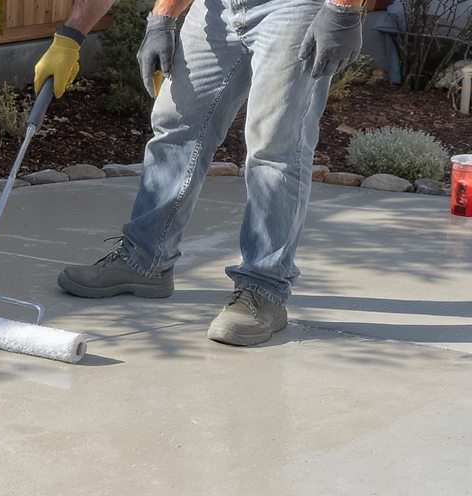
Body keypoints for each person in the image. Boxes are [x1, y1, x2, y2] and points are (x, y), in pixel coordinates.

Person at [34, 0, 365, 345]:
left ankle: (264, 288)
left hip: (295, 7)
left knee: (275, 146)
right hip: (218, 9)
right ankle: (145, 260)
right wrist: (156, 19)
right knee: (175, 125)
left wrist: (343, 10)